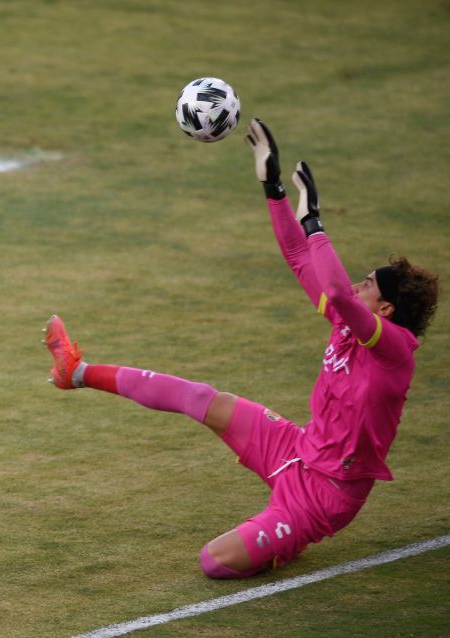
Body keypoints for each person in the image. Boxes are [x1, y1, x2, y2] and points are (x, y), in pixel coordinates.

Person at [42, 118, 439, 579]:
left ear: (386, 309)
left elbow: (338, 288)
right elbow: (298, 258)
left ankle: (288, 541)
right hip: (296, 446)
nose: (355, 285)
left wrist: (315, 220)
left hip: (326, 494)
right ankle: (76, 371)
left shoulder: (395, 349)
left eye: (367, 284)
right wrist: (273, 188)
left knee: (215, 561)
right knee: (200, 399)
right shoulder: (348, 323)